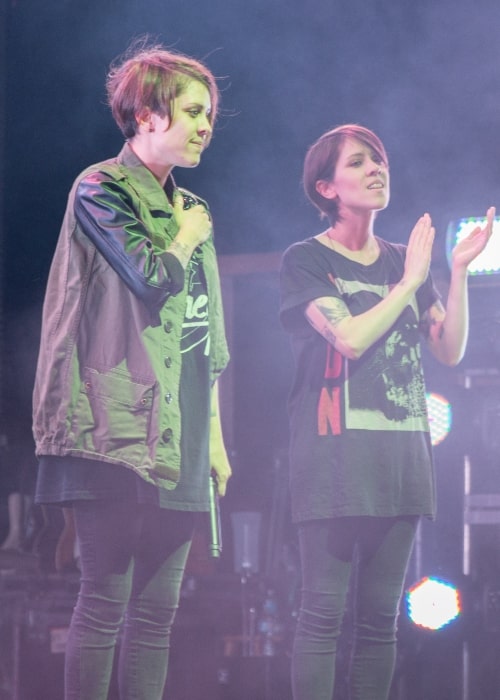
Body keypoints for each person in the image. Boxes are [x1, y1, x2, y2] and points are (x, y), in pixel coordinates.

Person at [32, 43, 231, 700]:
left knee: (157, 615)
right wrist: (185, 236)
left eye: (210, 113)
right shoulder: (100, 187)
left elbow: (204, 335)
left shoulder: (191, 208)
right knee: (105, 602)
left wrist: (217, 440)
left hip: (179, 436)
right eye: (194, 111)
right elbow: (151, 279)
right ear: (148, 113)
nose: (206, 125)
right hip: (112, 424)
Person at [279, 123, 494, 700]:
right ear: (326, 188)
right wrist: (409, 282)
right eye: (358, 163)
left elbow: (449, 349)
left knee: (379, 624)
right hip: (331, 461)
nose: (377, 169)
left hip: (399, 460)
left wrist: (457, 273)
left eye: (379, 160)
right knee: (321, 618)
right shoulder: (306, 260)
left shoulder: (406, 261)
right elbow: (348, 338)